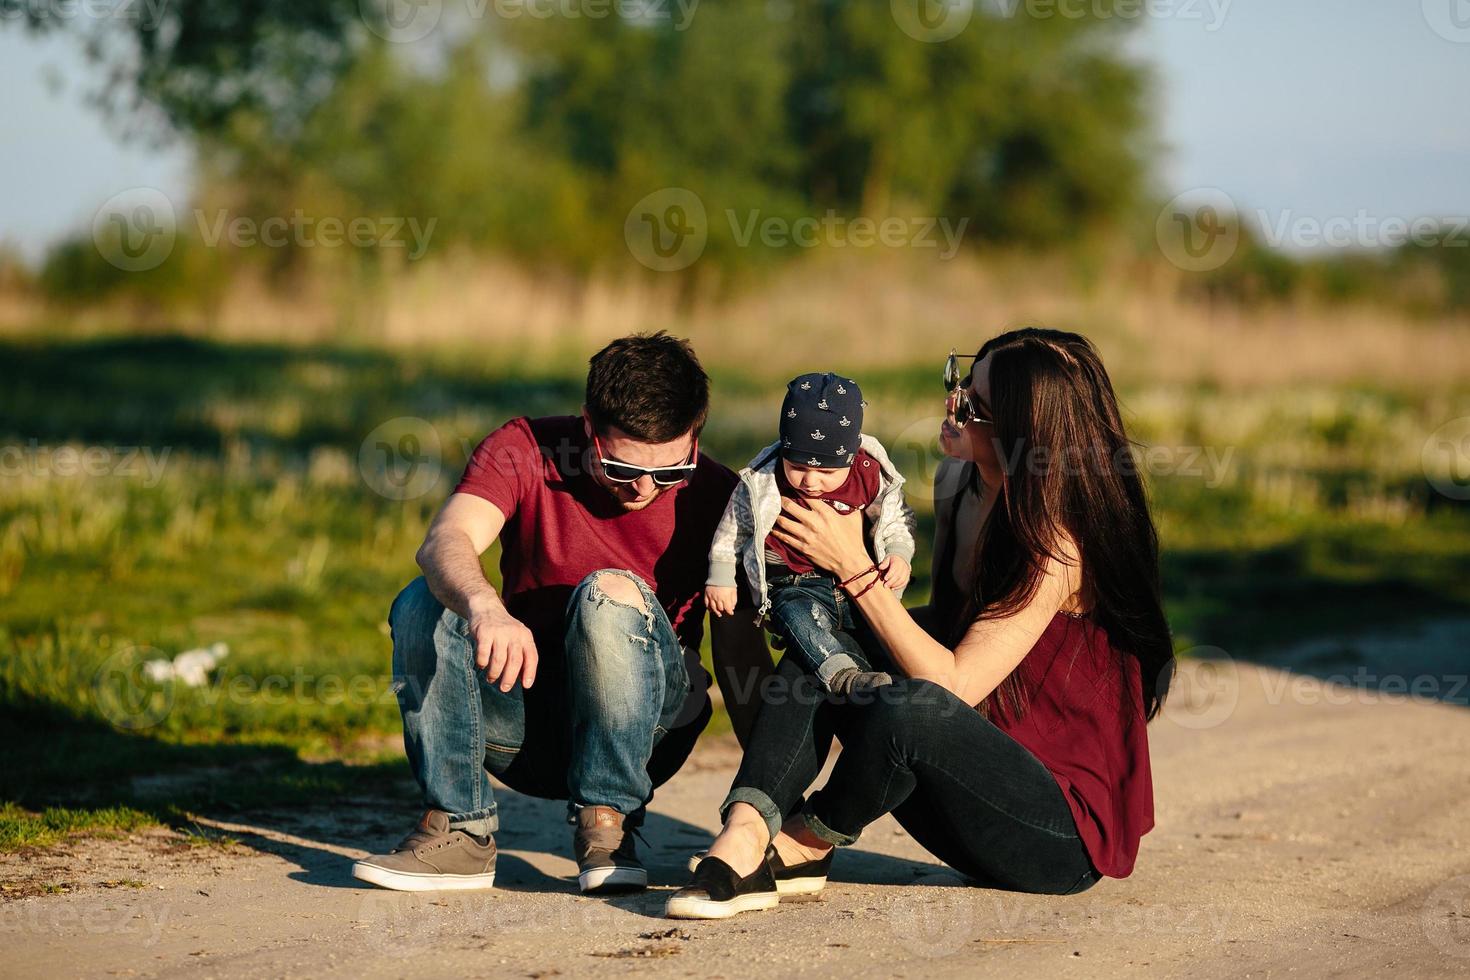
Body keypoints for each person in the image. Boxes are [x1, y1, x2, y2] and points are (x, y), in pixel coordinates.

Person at [666, 327, 1174, 919]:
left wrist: (854, 568)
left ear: (1021, 434)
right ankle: (747, 829)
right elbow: (947, 625)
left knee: (909, 705)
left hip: (1054, 831)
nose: (952, 405)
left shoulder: (1058, 542)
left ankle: (807, 839)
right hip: (967, 762)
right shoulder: (958, 482)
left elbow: (951, 686)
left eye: (975, 406)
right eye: (958, 382)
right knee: (830, 637)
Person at [353, 332, 770, 895]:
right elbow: (444, 540)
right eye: (622, 469)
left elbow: (738, 650)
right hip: (521, 723)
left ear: (695, 436)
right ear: (587, 426)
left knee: (609, 593)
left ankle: (608, 824)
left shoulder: (721, 494)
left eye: (670, 472)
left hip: (647, 732)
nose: (644, 489)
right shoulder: (523, 448)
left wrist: (765, 804)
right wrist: (485, 606)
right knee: (422, 600)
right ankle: (458, 830)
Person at [705, 371, 918, 695]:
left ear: (850, 456)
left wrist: (899, 554)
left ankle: (903, 684)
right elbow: (734, 526)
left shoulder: (869, 476)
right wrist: (721, 576)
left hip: (856, 581)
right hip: (794, 584)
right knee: (797, 617)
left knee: (882, 634)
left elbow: (895, 520)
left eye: (827, 472)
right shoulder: (764, 480)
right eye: (799, 467)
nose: (810, 482)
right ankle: (841, 675)